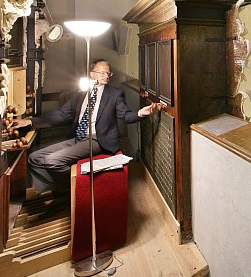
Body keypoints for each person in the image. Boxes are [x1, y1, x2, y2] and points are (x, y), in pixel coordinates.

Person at [15, 59, 158, 193]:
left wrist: (141, 113)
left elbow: (125, 116)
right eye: (102, 73)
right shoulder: (81, 93)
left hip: (98, 140)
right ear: (92, 74)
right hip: (78, 138)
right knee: (35, 158)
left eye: (108, 73)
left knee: (52, 161)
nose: (106, 76)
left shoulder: (114, 93)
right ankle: (60, 190)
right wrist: (30, 122)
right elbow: (61, 114)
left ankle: (73, 190)